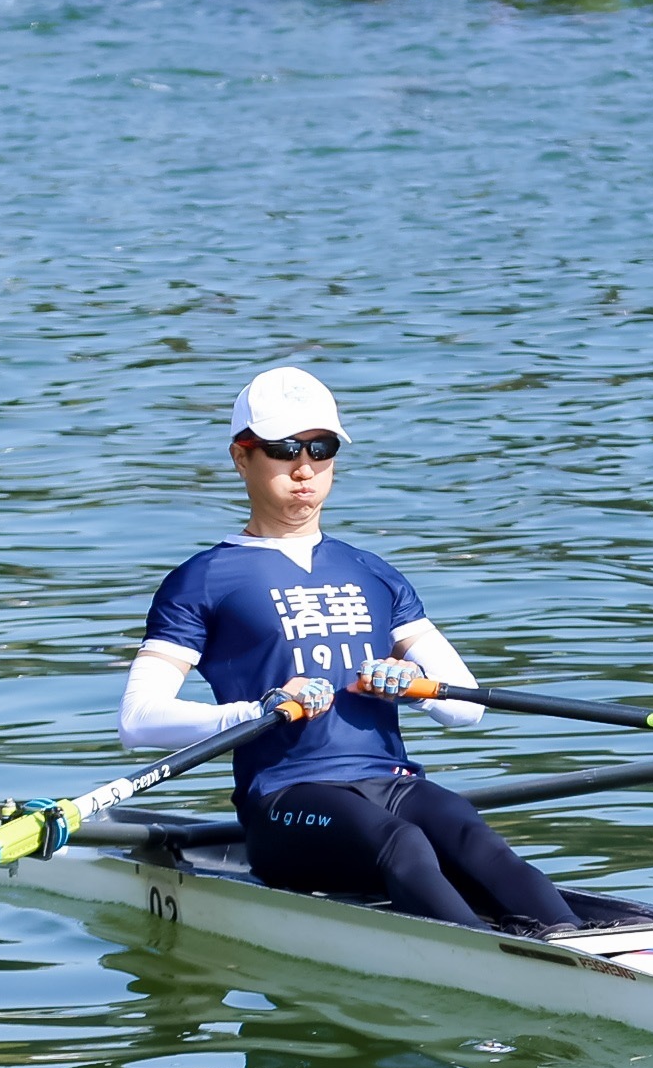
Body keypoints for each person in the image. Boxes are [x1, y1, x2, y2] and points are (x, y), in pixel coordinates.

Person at [122, 368, 577, 935]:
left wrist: (415, 687)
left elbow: (466, 707)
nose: (304, 466)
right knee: (403, 843)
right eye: (283, 449)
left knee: (466, 828)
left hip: (388, 781)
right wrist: (258, 710)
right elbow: (137, 721)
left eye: (321, 447)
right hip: (284, 803)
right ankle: (493, 960)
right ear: (242, 458)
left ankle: (578, 946)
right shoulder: (202, 580)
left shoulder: (372, 573)